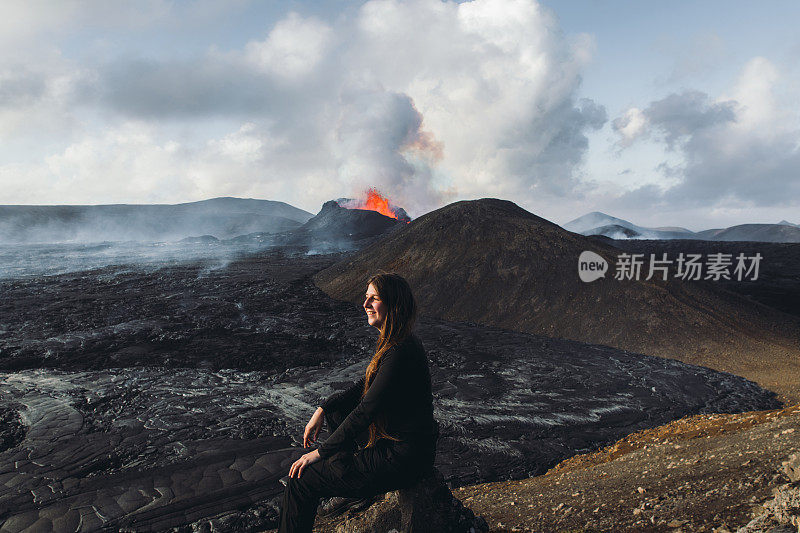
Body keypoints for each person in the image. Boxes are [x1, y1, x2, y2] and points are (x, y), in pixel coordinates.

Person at [277, 272, 439, 533]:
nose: (365, 305)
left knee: (300, 481)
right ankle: (344, 473)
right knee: (339, 410)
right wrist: (324, 408)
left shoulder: (399, 351)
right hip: (409, 450)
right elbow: (363, 388)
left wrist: (319, 453)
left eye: (373, 299)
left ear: (393, 304)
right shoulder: (397, 343)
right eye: (366, 298)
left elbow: (366, 410)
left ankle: (345, 475)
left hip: (402, 457)